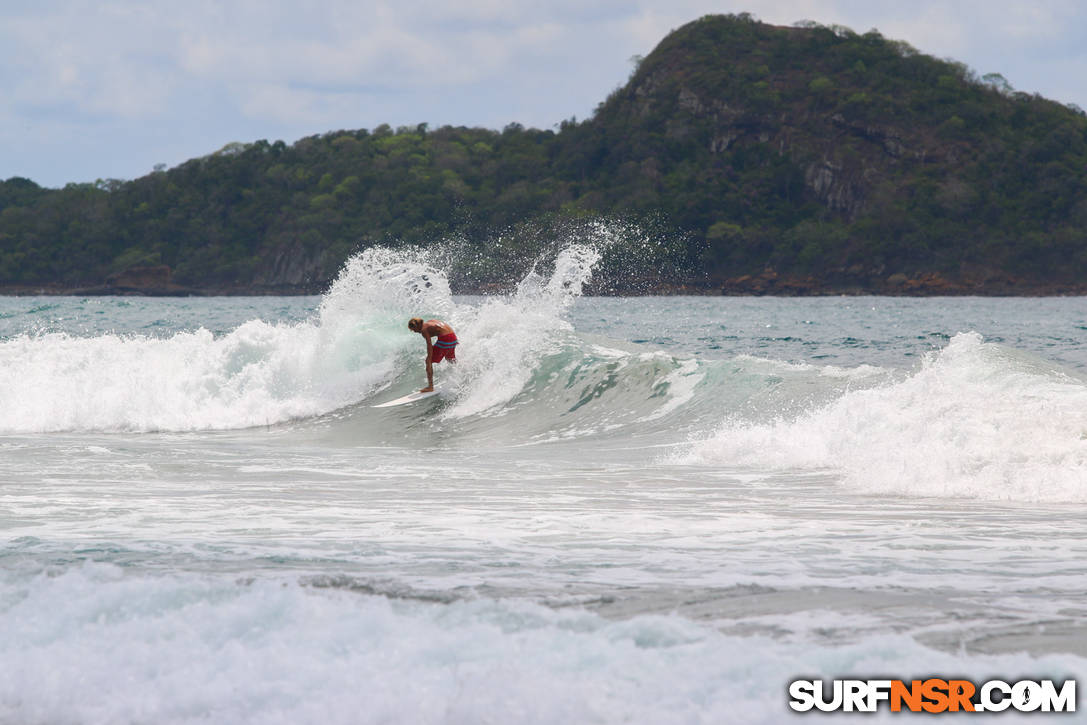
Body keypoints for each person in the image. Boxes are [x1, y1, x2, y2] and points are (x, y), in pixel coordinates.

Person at [408, 317, 457, 392]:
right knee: (449, 358)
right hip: (453, 337)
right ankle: (460, 370)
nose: (414, 332)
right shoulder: (431, 321)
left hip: (445, 339)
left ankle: (430, 387)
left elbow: (429, 346)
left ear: (417, 326)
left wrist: (429, 358)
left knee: (428, 362)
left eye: (414, 330)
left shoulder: (424, 330)